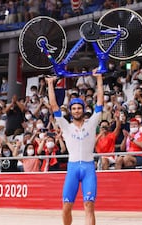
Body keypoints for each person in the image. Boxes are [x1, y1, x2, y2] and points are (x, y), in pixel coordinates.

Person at [45, 68, 103, 225]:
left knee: (89, 205)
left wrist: (98, 79)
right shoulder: (66, 126)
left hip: (88, 167)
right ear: (70, 111)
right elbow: (54, 106)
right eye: (74, 108)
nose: (77, 110)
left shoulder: (92, 123)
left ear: (83, 110)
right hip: (72, 168)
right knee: (66, 206)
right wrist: (50, 84)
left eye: (79, 108)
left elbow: (100, 103)